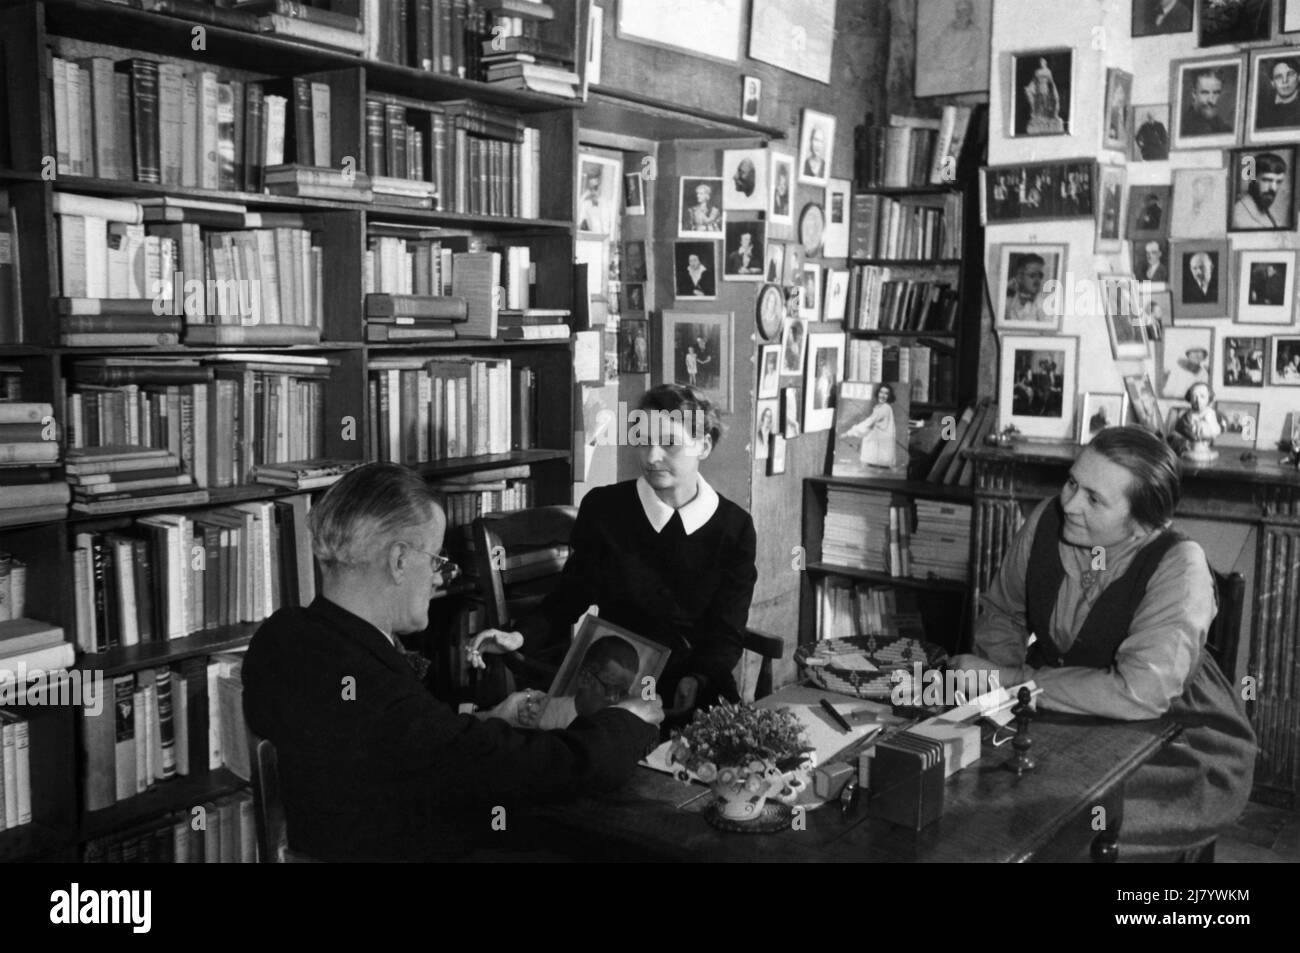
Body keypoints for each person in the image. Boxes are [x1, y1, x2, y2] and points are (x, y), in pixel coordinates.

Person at [240, 463, 662, 862]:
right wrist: (626, 721)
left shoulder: (284, 636)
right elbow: (532, 769)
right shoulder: (371, 689)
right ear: (399, 560)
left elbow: (410, 747)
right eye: (438, 560)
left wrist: (482, 719)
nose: (442, 576)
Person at [949, 427, 1255, 861]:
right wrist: (1002, 705)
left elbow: (1139, 694)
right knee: (974, 796)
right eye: (1073, 482)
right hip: (1063, 709)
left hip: (1173, 735)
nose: (1070, 504)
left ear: (1142, 524)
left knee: (1057, 824)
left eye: (1095, 499)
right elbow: (1003, 612)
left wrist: (1009, 681)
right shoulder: (1047, 520)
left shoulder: (1181, 568)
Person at [470, 385, 758, 727]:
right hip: (614, 687)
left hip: (693, 686)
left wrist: (699, 679)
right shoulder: (605, 509)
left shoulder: (734, 527)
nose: (651, 457)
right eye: (643, 440)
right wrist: (519, 636)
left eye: (668, 443)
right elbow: (569, 598)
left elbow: (726, 633)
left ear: (704, 446)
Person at [485, 636, 641, 731]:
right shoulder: (539, 717)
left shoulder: (613, 725)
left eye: (622, 693)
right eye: (610, 689)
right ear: (585, 678)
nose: (614, 700)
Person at [845, 384, 897, 469]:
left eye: (886, 393)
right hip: (878, 449)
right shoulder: (880, 408)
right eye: (881, 392)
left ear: (889, 396)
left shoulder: (885, 408)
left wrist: (849, 433)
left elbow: (868, 422)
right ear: (878, 393)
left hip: (881, 449)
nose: (883, 396)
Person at [1232, 152, 1289, 228]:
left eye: (1278, 182)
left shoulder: (1267, 212)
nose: (1273, 188)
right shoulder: (1240, 217)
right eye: (1267, 180)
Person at [1171, 382, 1226, 457]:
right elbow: (1178, 432)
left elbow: (1222, 427)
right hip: (1191, 450)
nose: (1198, 400)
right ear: (1190, 399)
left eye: (1202, 396)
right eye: (1194, 397)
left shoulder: (1217, 417)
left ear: (1209, 398)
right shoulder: (1184, 419)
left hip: (1207, 450)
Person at [1180, 68, 1232, 137]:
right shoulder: (1181, 128)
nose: (1211, 100)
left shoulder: (1226, 130)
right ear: (1194, 94)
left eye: (1216, 93)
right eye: (1205, 93)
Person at [1255, 56, 1300, 129]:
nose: (1284, 81)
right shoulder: (1263, 111)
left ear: (1298, 78)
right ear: (1272, 83)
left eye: (1290, 74)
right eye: (1279, 77)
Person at [1004, 253, 1050, 324]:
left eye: (1040, 275)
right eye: (1032, 275)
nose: (1038, 280)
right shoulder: (1007, 303)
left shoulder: (1045, 303)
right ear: (1019, 278)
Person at [1024, 57, 1065, 134]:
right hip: (1038, 88)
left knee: (1045, 102)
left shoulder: (1048, 71)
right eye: (1040, 62)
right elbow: (1034, 81)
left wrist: (1053, 89)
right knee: (1038, 103)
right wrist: (1029, 88)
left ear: (1045, 63)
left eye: (1042, 62)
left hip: (1045, 88)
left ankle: (1046, 115)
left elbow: (1051, 81)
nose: (1041, 63)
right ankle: (1039, 116)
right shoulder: (1037, 72)